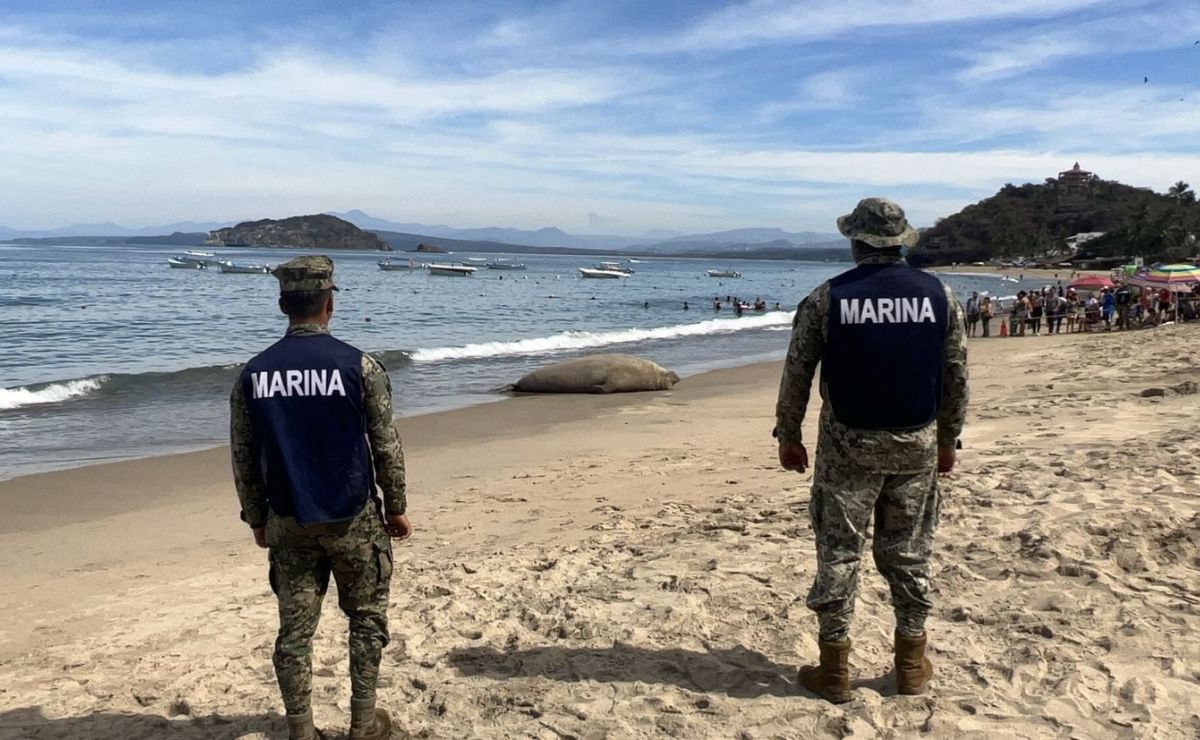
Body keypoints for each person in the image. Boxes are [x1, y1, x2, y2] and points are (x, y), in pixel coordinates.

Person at [775, 198, 968, 703]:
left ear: (855, 241)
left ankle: (834, 670)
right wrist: (949, 440)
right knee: (908, 553)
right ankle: (909, 665)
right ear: (902, 240)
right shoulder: (941, 297)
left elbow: (797, 372)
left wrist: (788, 433)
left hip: (846, 446)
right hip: (917, 443)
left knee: (839, 553)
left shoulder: (827, 298)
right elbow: (955, 378)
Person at [230, 256, 412, 740]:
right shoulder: (360, 366)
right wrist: (396, 505)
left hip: (288, 518)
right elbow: (385, 442)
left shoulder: (253, 374)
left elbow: (244, 456)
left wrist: (256, 518)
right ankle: (363, 723)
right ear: (329, 304)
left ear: (282, 305)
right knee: (367, 620)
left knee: (295, 632)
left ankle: (301, 730)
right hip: (353, 517)